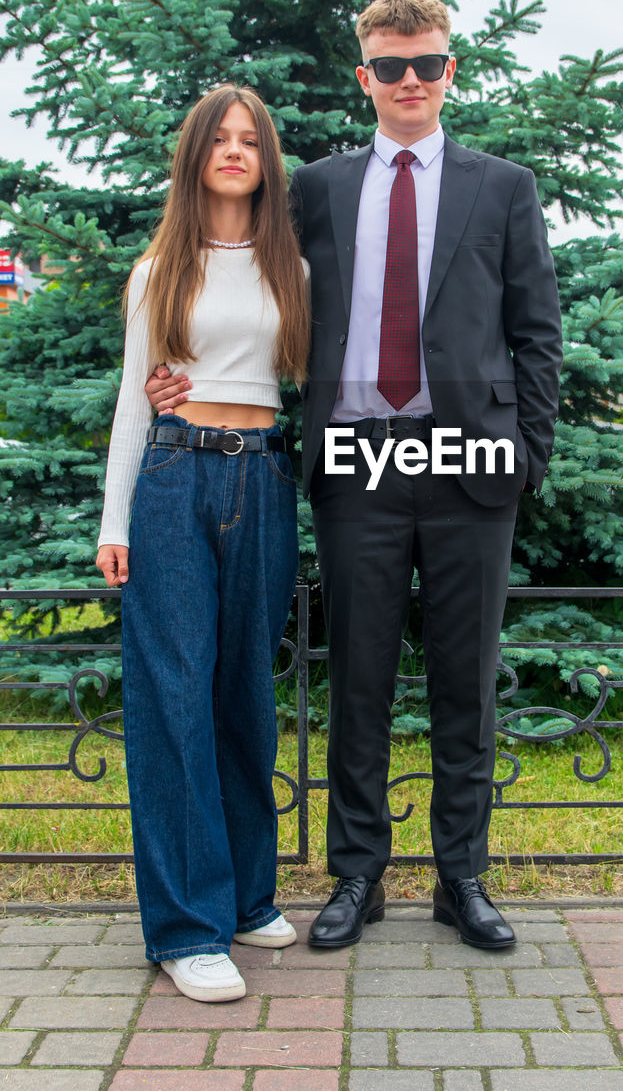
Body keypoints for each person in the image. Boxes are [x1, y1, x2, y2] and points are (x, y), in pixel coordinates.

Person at [147, 0, 562, 952]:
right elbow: (241, 273)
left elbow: (536, 333)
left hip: (473, 465)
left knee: (466, 677)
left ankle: (462, 877)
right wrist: (177, 366)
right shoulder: (322, 189)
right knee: (360, 681)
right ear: (363, 74)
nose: (408, 81)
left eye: (425, 64)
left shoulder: (503, 187)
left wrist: (526, 457)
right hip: (357, 461)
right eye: (389, 66)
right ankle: (358, 877)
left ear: (449, 70)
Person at [96, 85, 310, 1002]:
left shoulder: (290, 267)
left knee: (241, 696)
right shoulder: (161, 270)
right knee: (172, 699)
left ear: (266, 161)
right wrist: (114, 521)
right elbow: (131, 404)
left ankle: (247, 897)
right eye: (218, 139)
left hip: (261, 478)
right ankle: (185, 929)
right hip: (176, 481)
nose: (233, 151)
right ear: (196, 156)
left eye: (248, 140)